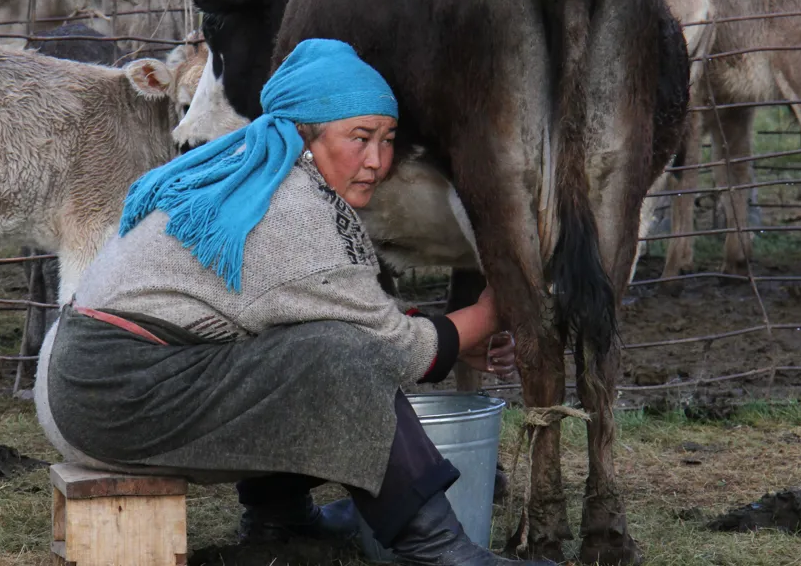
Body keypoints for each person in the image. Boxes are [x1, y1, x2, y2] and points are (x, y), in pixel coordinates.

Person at [35, 39, 550, 566]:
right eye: (359, 137)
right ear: (304, 137)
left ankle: (279, 518)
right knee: (341, 357)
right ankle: (440, 551)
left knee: (309, 344)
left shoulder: (255, 175)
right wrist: (493, 308)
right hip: (112, 397)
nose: (376, 160)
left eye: (387, 139)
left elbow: (324, 310)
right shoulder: (288, 209)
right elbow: (390, 348)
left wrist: (455, 339)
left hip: (93, 380)